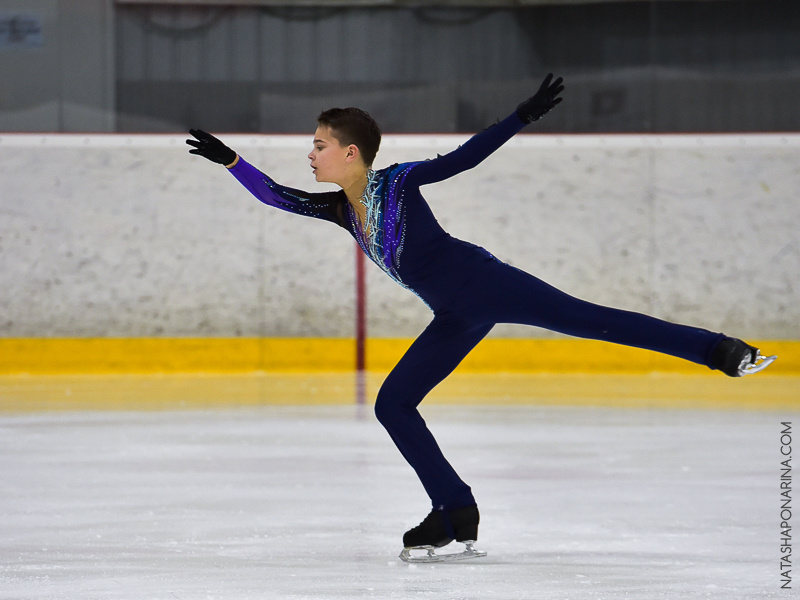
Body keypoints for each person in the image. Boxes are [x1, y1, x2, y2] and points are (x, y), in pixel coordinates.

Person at [187, 73, 776, 562]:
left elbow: (465, 158)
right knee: (393, 404)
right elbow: (274, 195)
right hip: (453, 313)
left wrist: (522, 116)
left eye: (318, 144)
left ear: (350, 152)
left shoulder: (398, 182)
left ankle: (720, 351)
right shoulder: (340, 210)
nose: (309, 154)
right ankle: (454, 509)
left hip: (489, 285)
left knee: (593, 320)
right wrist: (230, 160)